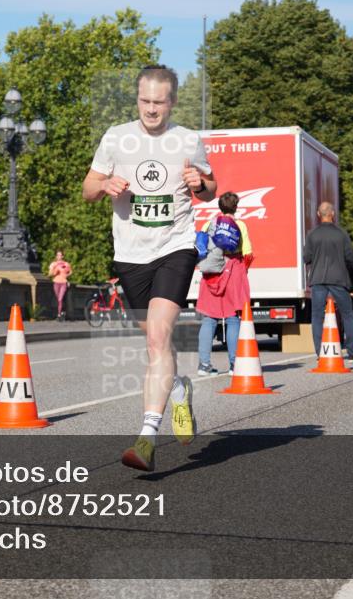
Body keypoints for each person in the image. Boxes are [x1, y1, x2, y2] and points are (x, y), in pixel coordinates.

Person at [82, 64, 216, 472]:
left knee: (158, 337)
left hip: (176, 246)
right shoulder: (115, 138)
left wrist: (199, 182)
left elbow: (211, 188)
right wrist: (104, 186)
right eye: (145, 101)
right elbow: (88, 189)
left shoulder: (188, 140)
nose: (151, 109)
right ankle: (179, 388)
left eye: (159, 102)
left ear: (172, 102)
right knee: (156, 344)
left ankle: (147, 437)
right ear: (137, 98)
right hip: (130, 254)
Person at [196, 192, 253, 376]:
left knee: (208, 318)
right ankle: (234, 364)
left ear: (219, 207)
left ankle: (204, 365)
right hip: (233, 271)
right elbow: (247, 253)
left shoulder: (208, 223)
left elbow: (201, 248)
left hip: (212, 273)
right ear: (236, 207)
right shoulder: (240, 225)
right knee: (232, 318)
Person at [303, 201, 353, 360]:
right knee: (347, 314)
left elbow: (306, 258)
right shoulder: (342, 234)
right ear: (332, 214)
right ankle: (352, 351)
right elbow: (350, 258)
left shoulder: (312, 234)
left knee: (317, 316)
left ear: (318, 214)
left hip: (318, 279)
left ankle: (320, 352)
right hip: (339, 279)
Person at [48, 251, 72, 321]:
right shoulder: (53, 264)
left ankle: (59, 314)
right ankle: (62, 312)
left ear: (62, 256)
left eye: (60, 255)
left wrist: (66, 276)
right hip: (56, 282)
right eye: (57, 255)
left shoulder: (66, 264)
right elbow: (50, 274)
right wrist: (55, 271)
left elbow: (70, 271)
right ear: (56, 256)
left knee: (60, 299)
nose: (59, 257)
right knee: (58, 299)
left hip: (63, 283)